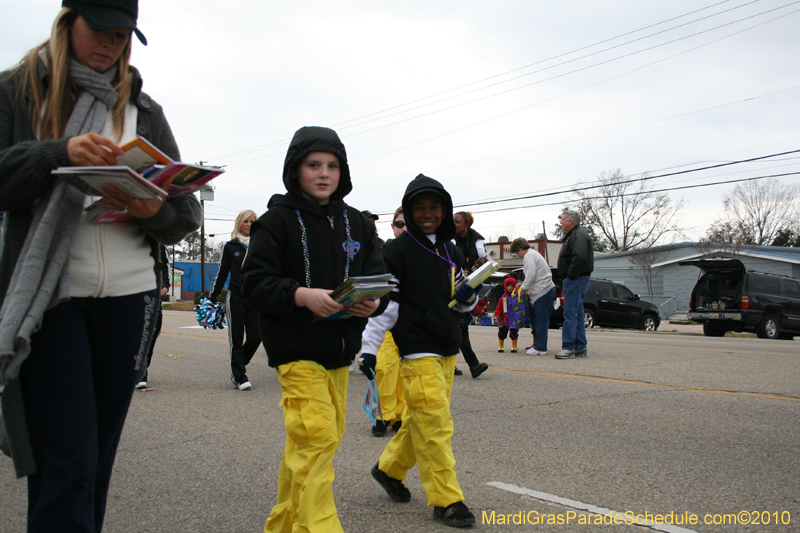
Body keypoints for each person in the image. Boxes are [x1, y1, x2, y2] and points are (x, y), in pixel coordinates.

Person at [0, 1, 202, 530]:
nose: (111, 42)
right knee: (69, 460)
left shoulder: (145, 110)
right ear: (69, 22)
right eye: (101, 28)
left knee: (91, 464)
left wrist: (152, 206)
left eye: (123, 32)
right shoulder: (18, 91)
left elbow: (186, 214)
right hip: (53, 298)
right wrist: (58, 152)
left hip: (130, 298)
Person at [239, 126, 386, 532]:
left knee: (312, 442)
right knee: (319, 438)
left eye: (333, 165)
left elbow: (378, 275)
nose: (324, 174)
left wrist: (374, 301)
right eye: (313, 165)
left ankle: (283, 525)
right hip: (295, 350)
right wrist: (300, 295)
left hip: (340, 353)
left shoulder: (358, 223)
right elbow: (252, 284)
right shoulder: (276, 222)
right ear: (295, 170)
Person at [362, 174, 478, 528]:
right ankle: (446, 500)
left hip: (447, 347)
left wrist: (467, 300)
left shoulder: (450, 249)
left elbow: (458, 298)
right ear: (409, 212)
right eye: (419, 207)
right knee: (437, 424)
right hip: (416, 350)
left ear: (445, 211)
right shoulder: (395, 252)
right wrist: (368, 348)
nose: (427, 213)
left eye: (434, 207)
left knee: (423, 419)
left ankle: (389, 470)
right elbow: (386, 306)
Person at [360, 207, 407, 437]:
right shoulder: (382, 250)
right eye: (399, 224)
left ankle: (399, 415)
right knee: (384, 367)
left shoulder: (424, 252)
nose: (403, 228)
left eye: (407, 224)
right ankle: (380, 415)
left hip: (411, 324)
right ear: (392, 226)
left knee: (403, 372)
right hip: (385, 320)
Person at [209, 209, 262, 390]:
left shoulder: (260, 245)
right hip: (236, 296)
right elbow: (222, 273)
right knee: (236, 338)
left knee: (256, 337)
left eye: (252, 221)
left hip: (254, 297)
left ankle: (239, 364)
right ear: (239, 223)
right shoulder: (230, 246)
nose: (249, 224)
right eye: (246, 221)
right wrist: (213, 296)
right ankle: (239, 376)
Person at [452, 211, 489, 378]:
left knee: (458, 326)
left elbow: (484, 265)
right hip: (452, 288)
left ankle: (448, 362)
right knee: (460, 325)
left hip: (471, 288)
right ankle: (473, 364)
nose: (454, 224)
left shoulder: (477, 242)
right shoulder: (447, 241)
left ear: (466, 224)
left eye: (457, 222)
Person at [555, 210, 594, 359]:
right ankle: (579, 346)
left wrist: (570, 275)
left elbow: (580, 257)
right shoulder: (576, 235)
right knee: (577, 312)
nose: (561, 222)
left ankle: (568, 347)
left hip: (576, 279)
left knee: (570, 312)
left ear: (571, 221)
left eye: (563, 219)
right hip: (577, 279)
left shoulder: (578, 235)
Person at [509, 237, 557, 355]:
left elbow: (531, 275)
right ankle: (540, 345)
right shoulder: (535, 254)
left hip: (542, 291)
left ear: (521, 249)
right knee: (543, 320)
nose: (518, 255)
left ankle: (540, 348)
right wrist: (524, 285)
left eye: (517, 252)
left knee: (540, 320)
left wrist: (524, 288)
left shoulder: (529, 256)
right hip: (548, 289)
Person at [136, 245, 170, 389]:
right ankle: (140, 374)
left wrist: (165, 284)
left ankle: (142, 368)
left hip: (154, 291)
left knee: (154, 330)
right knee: (139, 332)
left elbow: (164, 266)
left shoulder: (159, 244)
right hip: (133, 290)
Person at [494, 277, 520, 353]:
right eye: (508, 286)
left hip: (514, 319)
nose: (510, 287)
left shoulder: (517, 297)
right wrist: (498, 314)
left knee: (514, 332)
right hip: (504, 319)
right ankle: (501, 346)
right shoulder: (502, 298)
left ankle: (514, 346)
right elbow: (499, 307)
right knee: (502, 332)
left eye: (512, 286)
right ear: (505, 286)